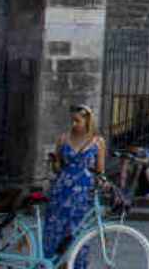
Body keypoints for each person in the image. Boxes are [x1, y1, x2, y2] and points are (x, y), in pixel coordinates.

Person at [44, 105, 106, 269]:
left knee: (78, 230)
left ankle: (76, 265)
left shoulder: (98, 141)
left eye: (77, 121)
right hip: (62, 188)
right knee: (55, 229)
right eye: (72, 120)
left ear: (87, 121)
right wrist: (55, 162)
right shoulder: (63, 139)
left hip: (84, 191)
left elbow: (100, 169)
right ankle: (54, 264)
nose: (73, 124)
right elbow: (57, 168)